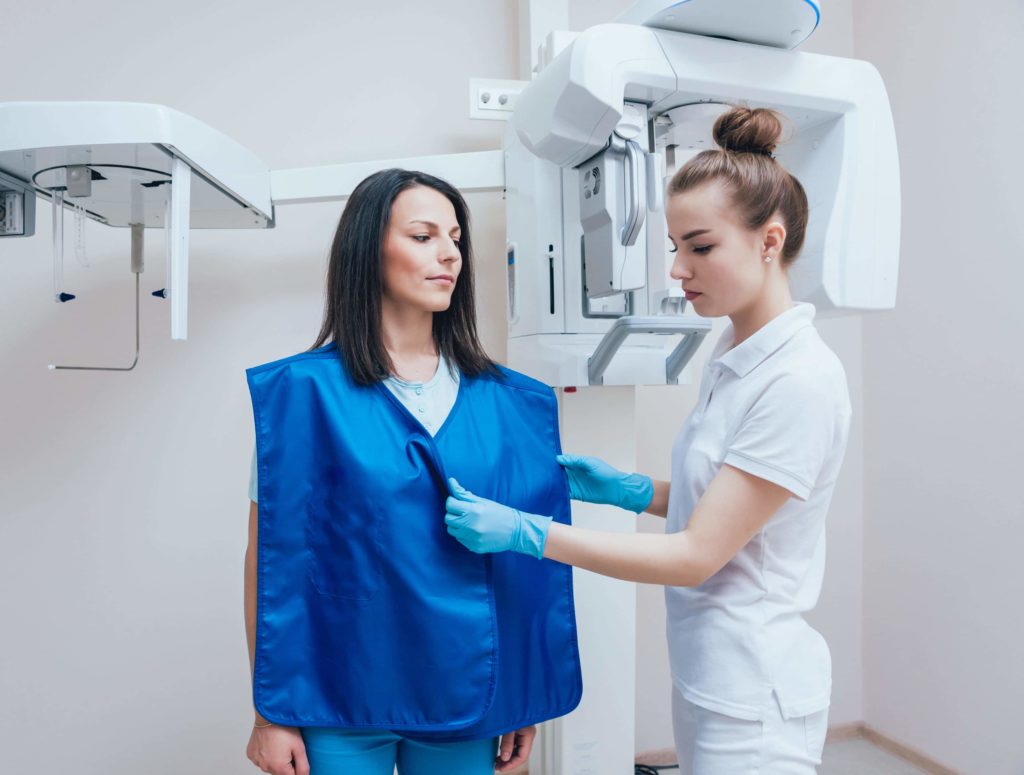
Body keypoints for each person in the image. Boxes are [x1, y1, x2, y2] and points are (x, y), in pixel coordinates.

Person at [444, 106, 852, 775]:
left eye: (701, 246)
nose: (678, 270)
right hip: (711, 675)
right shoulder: (733, 350)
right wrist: (635, 490)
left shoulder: (799, 380)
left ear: (769, 240)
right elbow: (726, 502)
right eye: (675, 248)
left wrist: (529, 532)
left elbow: (697, 554)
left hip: (756, 692)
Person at [243, 169, 555, 775]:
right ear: (368, 249)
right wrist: (268, 711)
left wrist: (522, 693)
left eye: (456, 238)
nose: (449, 255)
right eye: (423, 235)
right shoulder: (301, 397)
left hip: (465, 691)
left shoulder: (506, 403)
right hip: (337, 697)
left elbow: (519, 563)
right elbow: (268, 560)